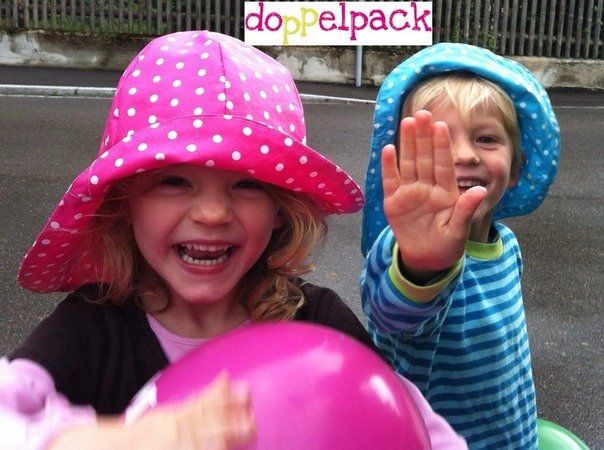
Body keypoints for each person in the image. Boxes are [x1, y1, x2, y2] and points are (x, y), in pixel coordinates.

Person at [1, 31, 466, 449]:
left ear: (281, 209)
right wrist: (115, 440)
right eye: (174, 181)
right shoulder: (92, 331)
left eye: (247, 184)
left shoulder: (317, 323)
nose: (213, 213)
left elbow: (415, 425)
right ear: (125, 202)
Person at [360, 43, 560, 449]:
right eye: (438, 141)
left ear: (517, 167)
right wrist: (423, 266)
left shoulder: (507, 246)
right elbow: (389, 315)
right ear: (407, 164)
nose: (465, 155)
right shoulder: (404, 248)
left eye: (486, 139)